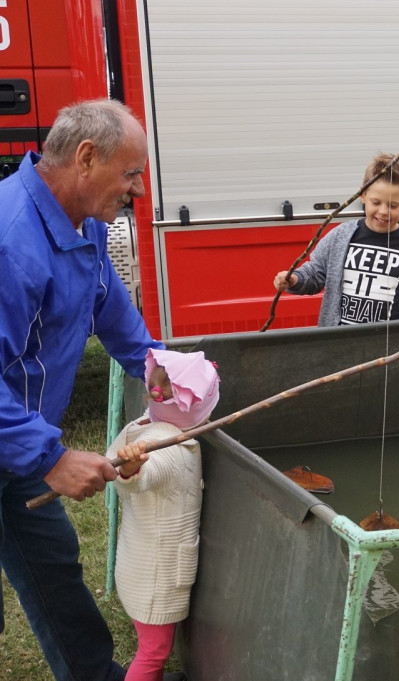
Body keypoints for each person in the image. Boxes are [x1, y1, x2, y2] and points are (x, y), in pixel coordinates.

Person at [0, 99, 167, 681]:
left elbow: (111, 310)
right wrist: (51, 457)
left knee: (53, 568)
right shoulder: (11, 241)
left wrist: (160, 368)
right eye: (131, 173)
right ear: (86, 158)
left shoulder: (84, 228)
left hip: (14, 448)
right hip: (22, 443)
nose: (139, 190)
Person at [110, 349, 220, 681]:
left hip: (137, 565)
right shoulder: (166, 448)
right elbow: (148, 473)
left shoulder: (142, 426)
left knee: (153, 648)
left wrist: (125, 465)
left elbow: (116, 462)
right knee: (154, 651)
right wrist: (132, 470)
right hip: (157, 578)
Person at [273, 153, 399, 330]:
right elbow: (315, 273)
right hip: (340, 346)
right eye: (376, 203)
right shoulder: (340, 237)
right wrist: (294, 280)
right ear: (363, 196)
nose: (383, 211)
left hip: (395, 350)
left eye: (393, 205)